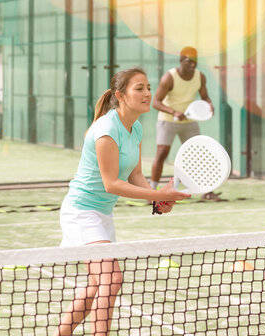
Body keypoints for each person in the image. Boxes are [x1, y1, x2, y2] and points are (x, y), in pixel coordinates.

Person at [54, 67, 190, 336]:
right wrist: (159, 195)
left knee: (96, 286)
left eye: (148, 87)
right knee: (111, 278)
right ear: (121, 95)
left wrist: (156, 200)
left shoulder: (135, 127)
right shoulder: (106, 130)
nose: (148, 93)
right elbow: (112, 183)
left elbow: (135, 174)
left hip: (103, 215)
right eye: (139, 88)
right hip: (81, 213)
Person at [150, 46, 221, 200]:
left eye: (195, 62)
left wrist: (209, 104)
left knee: (198, 155)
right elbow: (155, 102)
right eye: (189, 61)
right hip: (167, 121)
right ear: (181, 60)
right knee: (161, 154)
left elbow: (205, 96)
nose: (193, 65)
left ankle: (206, 192)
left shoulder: (200, 77)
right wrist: (173, 112)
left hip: (189, 121)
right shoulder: (169, 77)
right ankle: (152, 192)